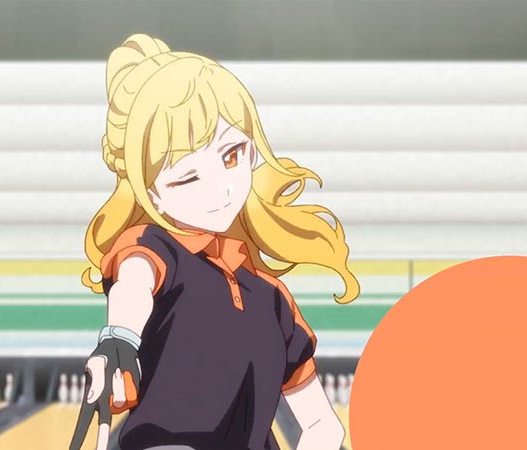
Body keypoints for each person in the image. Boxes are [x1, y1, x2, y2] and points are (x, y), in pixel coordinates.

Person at [70, 33, 360, 450]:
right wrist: (120, 337)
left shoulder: (273, 298)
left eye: (232, 155)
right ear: (152, 194)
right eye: (188, 177)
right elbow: (134, 281)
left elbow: (323, 425)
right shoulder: (154, 250)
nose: (220, 189)